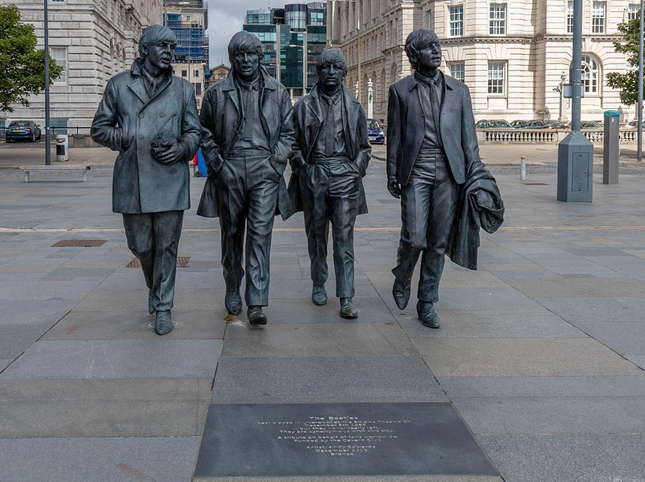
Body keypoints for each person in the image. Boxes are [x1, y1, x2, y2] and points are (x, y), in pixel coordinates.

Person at [90, 25, 201, 336]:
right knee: (140, 245)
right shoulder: (119, 85)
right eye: (162, 46)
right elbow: (99, 128)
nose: (169, 52)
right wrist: (124, 136)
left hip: (169, 177)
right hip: (133, 178)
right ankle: (157, 289)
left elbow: (195, 131)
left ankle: (164, 307)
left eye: (172, 46)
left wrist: (182, 147)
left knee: (167, 246)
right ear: (144, 50)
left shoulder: (182, 89)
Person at [197, 31, 295, 325]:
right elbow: (204, 133)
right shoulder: (216, 93)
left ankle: (256, 300)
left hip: (264, 171)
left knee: (260, 237)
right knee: (232, 235)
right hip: (229, 170)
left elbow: (289, 133)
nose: (246, 60)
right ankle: (232, 287)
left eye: (251, 54)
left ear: (260, 56)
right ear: (232, 59)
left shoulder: (278, 92)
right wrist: (218, 164)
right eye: (239, 55)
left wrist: (275, 162)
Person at [386, 28, 480, 329]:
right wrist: (392, 173)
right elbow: (395, 138)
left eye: (437, 45)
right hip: (416, 170)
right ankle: (402, 275)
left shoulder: (459, 90)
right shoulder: (400, 91)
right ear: (414, 55)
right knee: (414, 236)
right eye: (429, 47)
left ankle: (427, 301)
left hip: (450, 173)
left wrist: (474, 174)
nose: (437, 51)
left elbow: (469, 139)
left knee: (438, 242)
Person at [288, 49, 370, 319]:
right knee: (317, 236)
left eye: (336, 68)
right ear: (318, 72)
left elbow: (364, 147)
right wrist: (304, 169)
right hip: (315, 174)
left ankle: (346, 296)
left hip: (345, 175)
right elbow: (291, 142)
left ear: (344, 73)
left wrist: (354, 170)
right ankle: (319, 282)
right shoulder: (303, 105)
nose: (331, 72)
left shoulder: (354, 106)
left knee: (344, 239)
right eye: (326, 68)